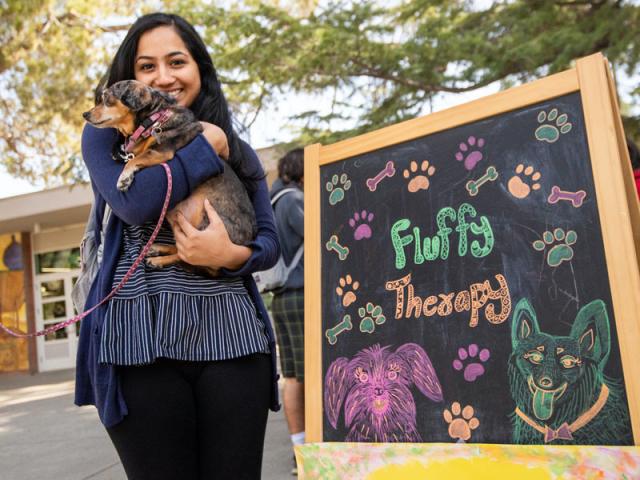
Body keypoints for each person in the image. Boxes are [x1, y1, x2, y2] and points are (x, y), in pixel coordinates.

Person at [74, 13, 281, 480]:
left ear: (198, 70)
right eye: (147, 66)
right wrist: (208, 149)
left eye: (176, 61)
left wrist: (231, 257)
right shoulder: (104, 137)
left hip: (231, 336)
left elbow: (268, 242)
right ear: (131, 80)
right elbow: (137, 203)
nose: (164, 77)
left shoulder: (232, 143)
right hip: (137, 339)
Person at [269, 148, 305, 475]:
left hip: (281, 296)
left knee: (292, 376)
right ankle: (310, 452)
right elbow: (319, 236)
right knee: (308, 374)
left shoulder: (273, 200)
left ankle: (300, 449)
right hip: (301, 292)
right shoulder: (294, 201)